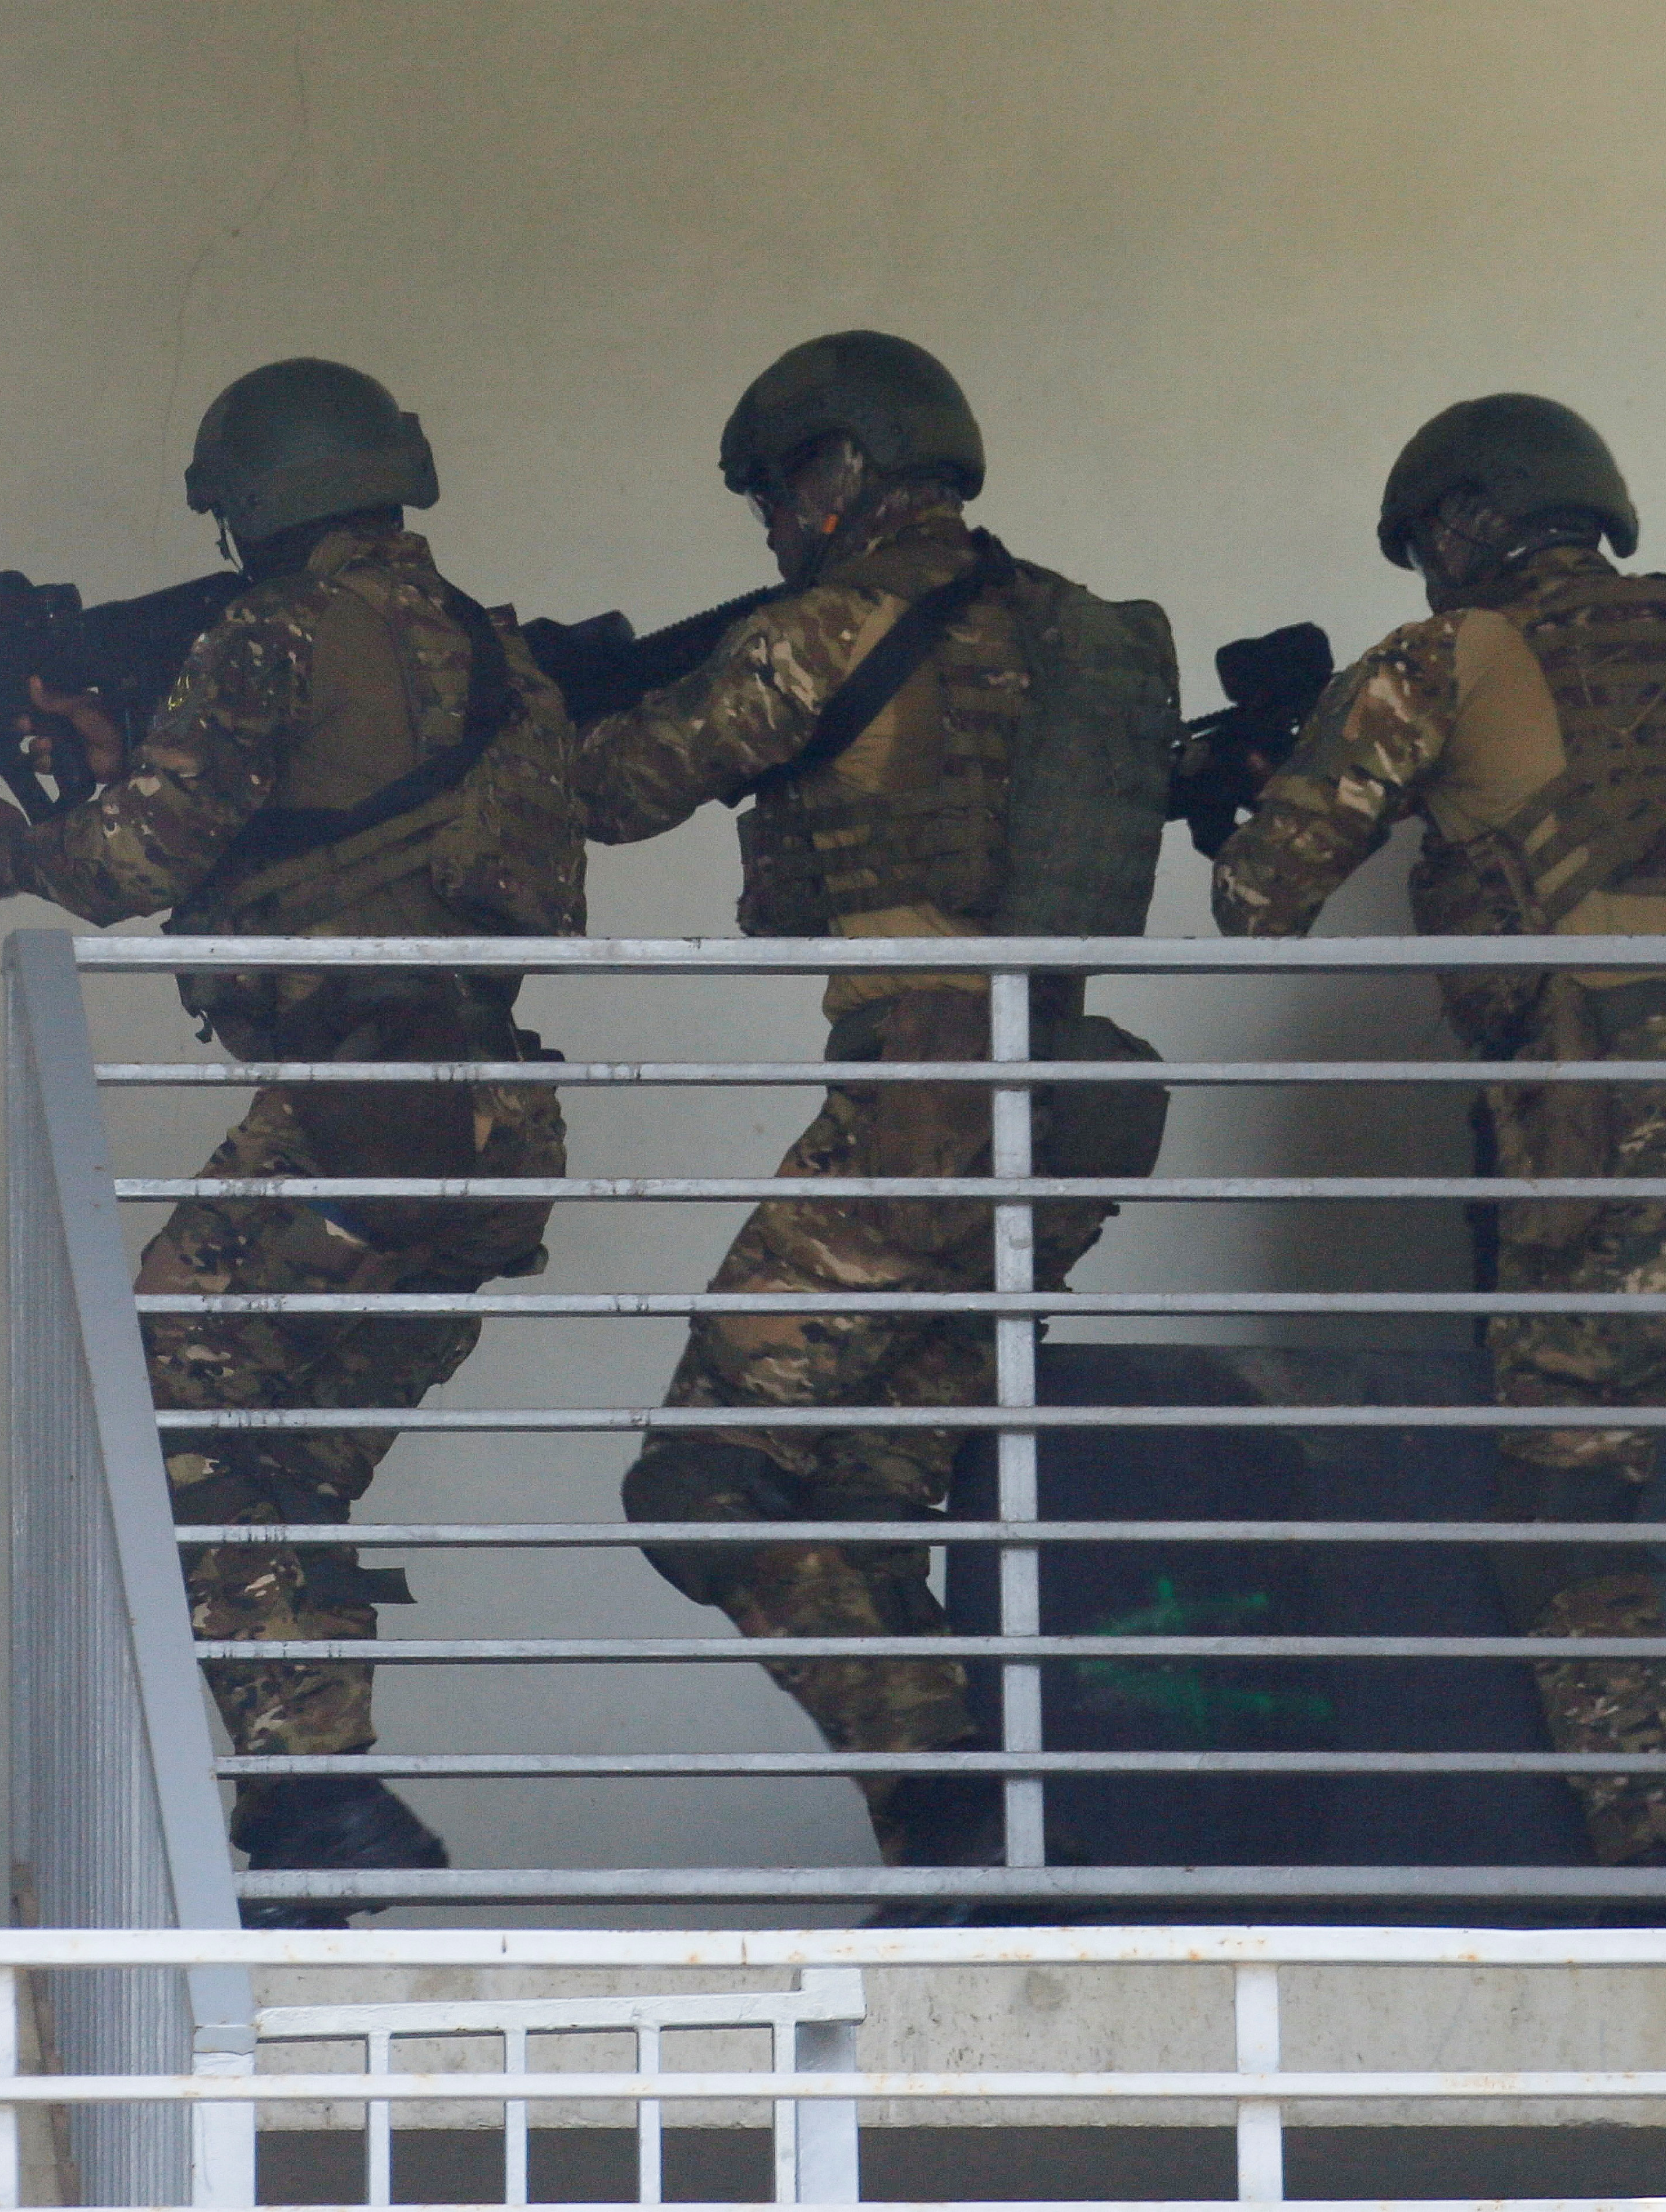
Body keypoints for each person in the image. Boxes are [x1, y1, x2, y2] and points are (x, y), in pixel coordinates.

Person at [1209, 393, 1666, 1888]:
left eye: (1423, 544)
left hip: (1616, 1108)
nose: (1424, 573)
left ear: (1463, 520)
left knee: (1563, 1510)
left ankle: (1646, 1862)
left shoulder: (1442, 658)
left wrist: (1265, 790)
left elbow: (1255, 894)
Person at [0, 359, 586, 1926]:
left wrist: (27, 845)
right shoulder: (504, 655)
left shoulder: (269, 635)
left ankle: (321, 1797)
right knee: (271, 1467)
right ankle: (312, 1821)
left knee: (160, 1398)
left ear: (250, 503)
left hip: (361, 1106)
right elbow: (362, 838)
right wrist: (114, 763)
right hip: (497, 1123)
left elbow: (141, 854)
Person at [572, 331, 1175, 1878]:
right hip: (1064, 1108)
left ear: (841, 470)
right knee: (852, 1496)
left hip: (922, 1111)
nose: (773, 532)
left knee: (702, 1475)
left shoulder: (828, 629)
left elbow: (618, 790)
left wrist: (521, 714)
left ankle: (950, 1789)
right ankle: (959, 1844)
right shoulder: (1073, 628)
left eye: (781, 493)